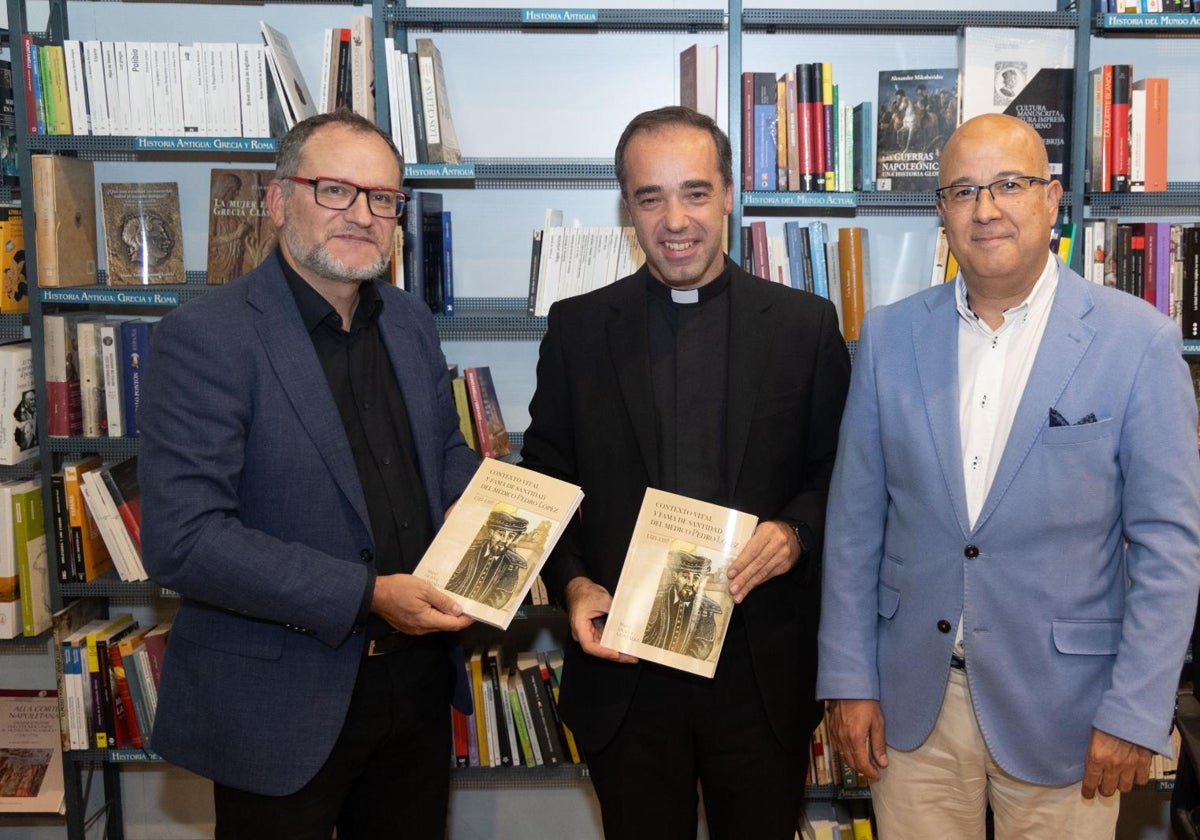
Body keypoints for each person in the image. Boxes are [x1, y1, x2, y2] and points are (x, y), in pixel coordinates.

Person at [817, 113, 1200, 839]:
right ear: (942, 213)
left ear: (1053, 199)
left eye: (1009, 185)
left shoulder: (1138, 343)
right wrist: (847, 680)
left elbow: (1170, 552)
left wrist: (1135, 711)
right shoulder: (890, 337)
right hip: (911, 705)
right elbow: (854, 525)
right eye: (963, 191)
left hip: (1069, 709)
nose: (985, 209)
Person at [138, 110, 479, 840]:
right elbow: (184, 541)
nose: (362, 214)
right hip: (281, 697)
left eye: (382, 198)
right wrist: (368, 595)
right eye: (335, 190)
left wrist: (491, 508)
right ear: (276, 200)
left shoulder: (410, 322)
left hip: (415, 685)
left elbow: (444, 453)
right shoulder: (205, 339)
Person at [520, 105, 851, 840]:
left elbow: (841, 473)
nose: (676, 219)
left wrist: (796, 533)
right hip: (626, 673)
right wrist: (574, 584)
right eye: (651, 197)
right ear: (627, 207)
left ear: (730, 194)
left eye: (696, 192)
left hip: (760, 672)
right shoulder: (578, 329)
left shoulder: (805, 326)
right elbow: (549, 480)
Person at [641, 548, 722, 659]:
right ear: (675, 576)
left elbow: (703, 644)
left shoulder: (706, 608)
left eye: (696, 579)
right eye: (685, 577)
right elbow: (643, 632)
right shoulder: (657, 599)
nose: (690, 583)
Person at [445, 506, 530, 608]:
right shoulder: (470, 551)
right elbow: (450, 576)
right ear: (491, 533)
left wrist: (479, 610)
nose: (504, 540)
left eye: (510, 537)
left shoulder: (512, 564)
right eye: (501, 534)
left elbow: (503, 594)